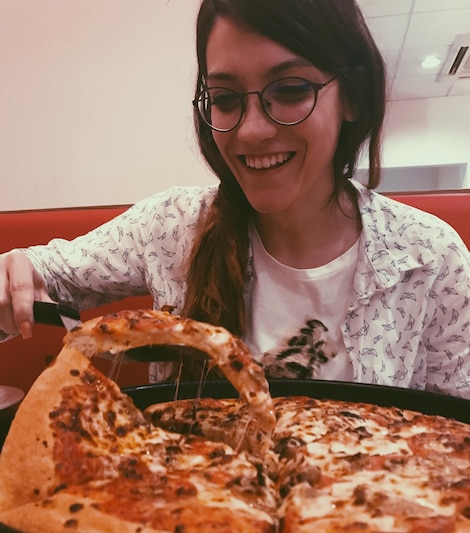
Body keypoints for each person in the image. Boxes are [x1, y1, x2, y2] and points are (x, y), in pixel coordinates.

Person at [0, 0, 469, 397]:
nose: (251, 130)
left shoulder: (431, 260)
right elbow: (44, 272)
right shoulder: (172, 227)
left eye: (289, 90)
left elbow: (456, 443)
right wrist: (12, 273)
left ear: (351, 97)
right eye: (224, 98)